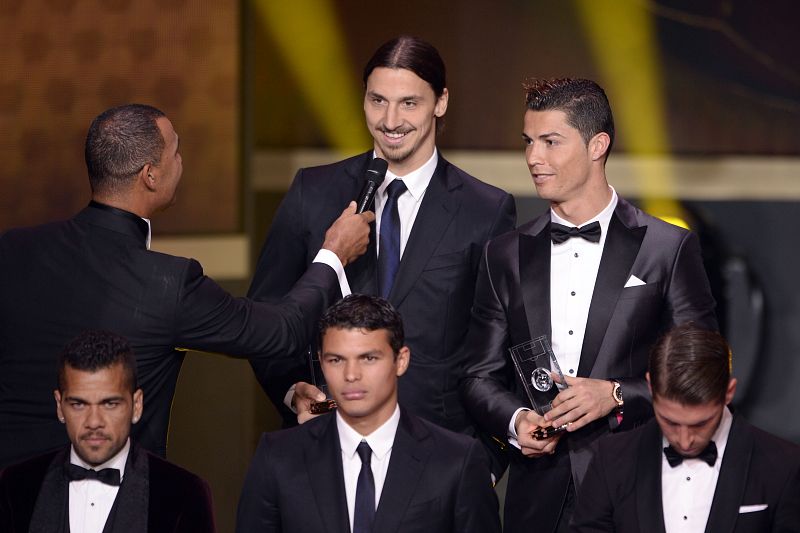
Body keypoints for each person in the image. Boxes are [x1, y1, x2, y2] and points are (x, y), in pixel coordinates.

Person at [0, 103, 374, 468]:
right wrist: (333, 253)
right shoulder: (168, 283)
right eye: (175, 151)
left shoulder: (12, 250)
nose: (181, 162)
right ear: (150, 175)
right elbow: (282, 331)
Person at [459, 78, 718, 532]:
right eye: (528, 142)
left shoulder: (665, 247)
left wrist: (615, 395)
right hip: (537, 495)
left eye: (551, 142)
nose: (533, 158)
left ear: (597, 145)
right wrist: (517, 421)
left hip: (639, 485)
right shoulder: (504, 253)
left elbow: (700, 372)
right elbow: (478, 375)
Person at [247, 36, 516, 451]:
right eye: (377, 101)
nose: (390, 120)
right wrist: (290, 388)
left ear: (440, 102)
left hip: (439, 454)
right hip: (325, 446)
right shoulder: (313, 191)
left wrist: (486, 460)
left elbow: (497, 346)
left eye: (409, 102)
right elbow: (265, 315)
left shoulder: (486, 210)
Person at [235, 294, 500, 533]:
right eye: (336, 360)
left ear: (401, 360)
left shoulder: (457, 460)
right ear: (321, 362)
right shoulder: (278, 457)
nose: (351, 375)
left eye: (368, 358)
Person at [571, 323, 800, 532]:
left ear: (728, 393)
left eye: (701, 423)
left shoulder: (784, 466)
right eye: (670, 421)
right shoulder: (611, 459)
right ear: (651, 388)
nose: (685, 440)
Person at [0, 330, 217, 533]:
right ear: (60, 406)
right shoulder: (15, 486)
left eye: (110, 404)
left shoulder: (185, 494)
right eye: (79, 404)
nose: (94, 422)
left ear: (137, 405)